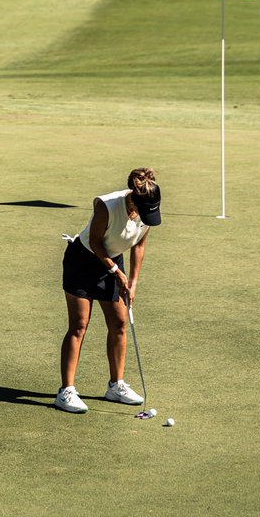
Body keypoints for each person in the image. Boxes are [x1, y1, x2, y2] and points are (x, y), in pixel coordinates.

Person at [55, 167, 161, 414]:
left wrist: (133, 283)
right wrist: (117, 273)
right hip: (82, 261)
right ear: (133, 197)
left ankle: (116, 386)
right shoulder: (107, 205)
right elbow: (94, 242)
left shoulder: (148, 207)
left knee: (119, 322)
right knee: (79, 325)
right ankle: (65, 391)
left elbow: (139, 247)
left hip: (112, 261)